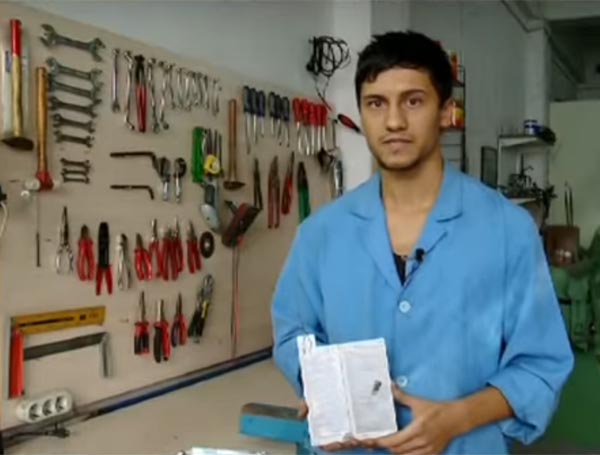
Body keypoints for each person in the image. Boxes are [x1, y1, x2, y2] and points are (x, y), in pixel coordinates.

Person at [271, 30, 574, 455]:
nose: (394, 121)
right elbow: (295, 335)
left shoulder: (507, 230)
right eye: (376, 103)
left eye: (413, 101)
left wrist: (458, 419)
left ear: (446, 112)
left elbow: (541, 364)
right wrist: (325, 386)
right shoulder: (321, 234)